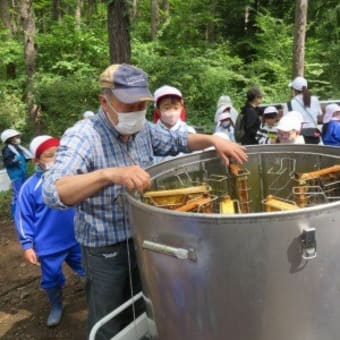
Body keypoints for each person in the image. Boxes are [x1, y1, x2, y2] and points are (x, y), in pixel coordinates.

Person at [42, 63, 247, 339]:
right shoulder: (84, 135)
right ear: (105, 101)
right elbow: (54, 190)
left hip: (145, 235)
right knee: (110, 319)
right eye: (129, 105)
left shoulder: (143, 130)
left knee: (147, 306)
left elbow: (177, 141)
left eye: (142, 104)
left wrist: (213, 139)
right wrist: (108, 174)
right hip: (106, 248)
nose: (137, 111)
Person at [15, 135, 84, 327]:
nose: (55, 159)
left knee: (88, 269)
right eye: (49, 155)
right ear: (37, 160)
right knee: (51, 277)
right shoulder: (29, 187)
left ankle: (96, 299)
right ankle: (56, 305)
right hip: (48, 244)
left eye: (59, 154)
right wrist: (27, 245)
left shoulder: (71, 178)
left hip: (76, 237)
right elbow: (23, 218)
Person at [153, 85, 196, 163]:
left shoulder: (188, 131)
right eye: (167, 108)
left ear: (181, 109)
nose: (172, 112)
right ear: (158, 110)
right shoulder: (152, 132)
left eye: (176, 108)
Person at [1, 128, 32, 217]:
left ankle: (25, 212)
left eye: (17, 137)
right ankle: (16, 214)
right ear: (9, 139)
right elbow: (7, 163)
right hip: (16, 176)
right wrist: (15, 160)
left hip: (23, 173)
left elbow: (24, 158)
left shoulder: (18, 148)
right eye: (14, 137)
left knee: (26, 191)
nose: (17, 139)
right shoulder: (6, 150)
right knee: (18, 194)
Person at [284, 76, 322, 144]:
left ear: (294, 90)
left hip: (298, 137)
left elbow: (286, 123)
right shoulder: (315, 99)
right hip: (315, 135)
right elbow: (319, 115)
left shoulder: (289, 104)